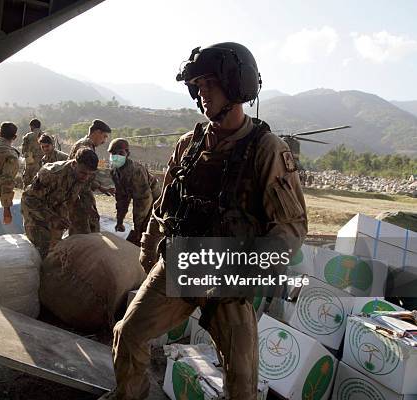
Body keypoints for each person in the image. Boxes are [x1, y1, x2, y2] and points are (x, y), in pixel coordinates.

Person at [102, 43, 308, 400]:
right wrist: (150, 247)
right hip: (180, 262)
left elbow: (290, 228)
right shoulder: (188, 145)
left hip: (229, 271)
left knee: (242, 379)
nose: (201, 94)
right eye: (196, 86)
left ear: (235, 84)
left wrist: (246, 274)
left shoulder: (267, 149)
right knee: (128, 333)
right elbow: (164, 203)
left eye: (208, 84)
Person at [22, 148, 98, 259]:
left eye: (89, 174)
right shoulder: (50, 173)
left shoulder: (86, 174)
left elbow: (84, 191)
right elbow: (29, 199)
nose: (85, 177)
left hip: (58, 206)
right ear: (74, 164)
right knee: (44, 247)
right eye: (83, 173)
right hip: (36, 210)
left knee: (58, 246)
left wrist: (89, 208)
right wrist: (52, 218)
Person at [108, 138, 161, 246]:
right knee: (138, 231)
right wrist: (120, 221)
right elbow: (121, 198)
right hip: (141, 198)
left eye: (120, 153)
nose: (116, 156)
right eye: (113, 153)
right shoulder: (114, 172)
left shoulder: (136, 171)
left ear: (127, 154)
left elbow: (143, 201)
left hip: (154, 199)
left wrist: (137, 228)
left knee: (148, 228)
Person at [67, 119, 113, 235]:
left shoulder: (83, 144)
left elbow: (86, 177)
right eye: (104, 136)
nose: (104, 141)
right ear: (97, 132)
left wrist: (101, 188)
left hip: (78, 197)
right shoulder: (86, 147)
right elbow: (80, 179)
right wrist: (87, 206)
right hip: (80, 199)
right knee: (85, 233)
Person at [21, 118, 44, 187]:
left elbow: (23, 151)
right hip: (43, 163)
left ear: (32, 126)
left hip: (31, 163)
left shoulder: (28, 136)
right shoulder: (47, 136)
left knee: (28, 184)